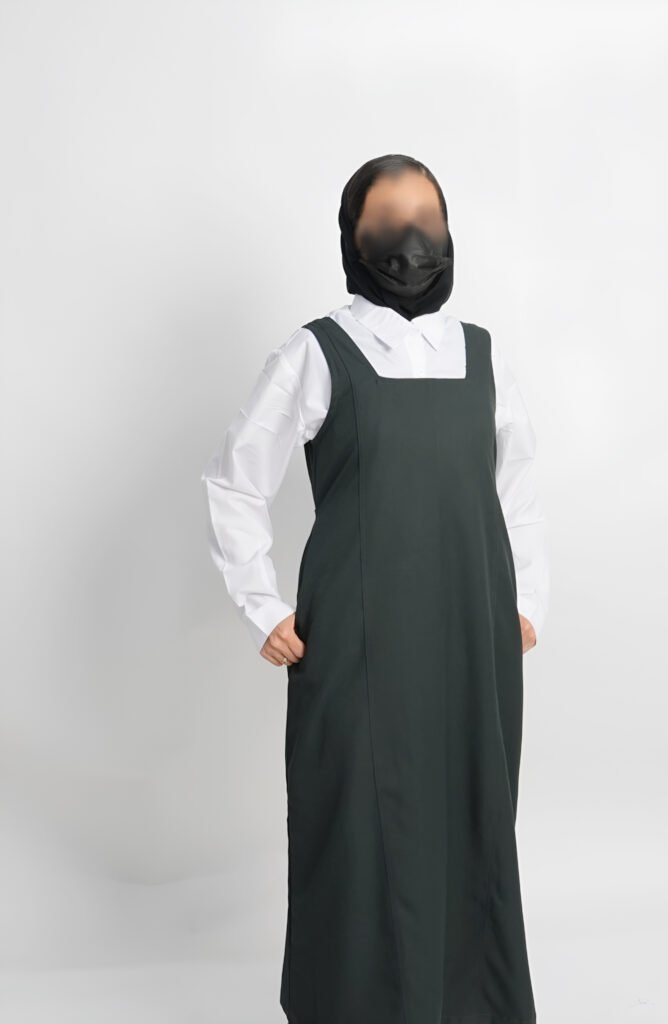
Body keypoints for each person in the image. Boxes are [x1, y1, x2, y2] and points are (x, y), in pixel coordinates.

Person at [201, 154, 549, 1024]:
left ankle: (469, 1004)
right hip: (359, 632)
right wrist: (261, 604)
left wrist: (526, 599)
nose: (411, 240)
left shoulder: (482, 355)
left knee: (471, 809)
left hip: (471, 629)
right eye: (389, 222)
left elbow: (516, 484)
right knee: (356, 819)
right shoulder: (318, 352)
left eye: (425, 219)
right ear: (354, 237)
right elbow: (235, 479)